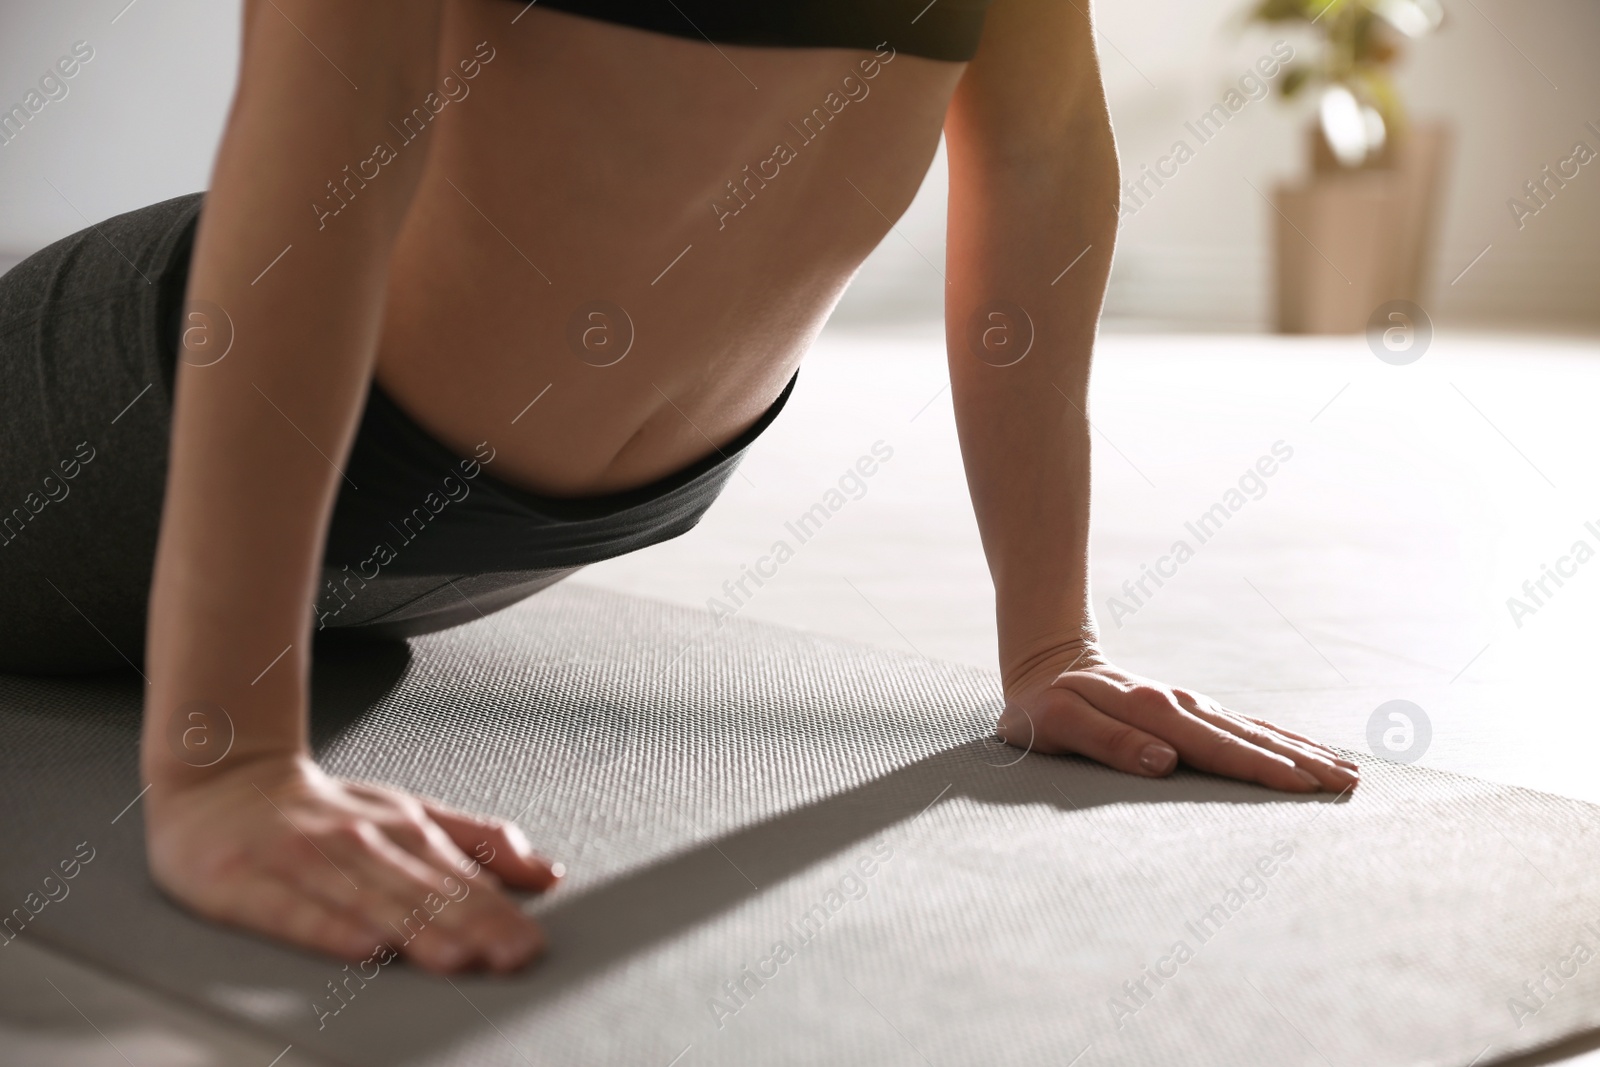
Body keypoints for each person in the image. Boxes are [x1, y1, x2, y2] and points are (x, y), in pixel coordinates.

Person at [0, 0, 1359, 975]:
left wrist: (1054, 640)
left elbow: (1046, 151)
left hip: (499, 534)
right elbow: (323, 150)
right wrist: (224, 757)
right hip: (127, 406)